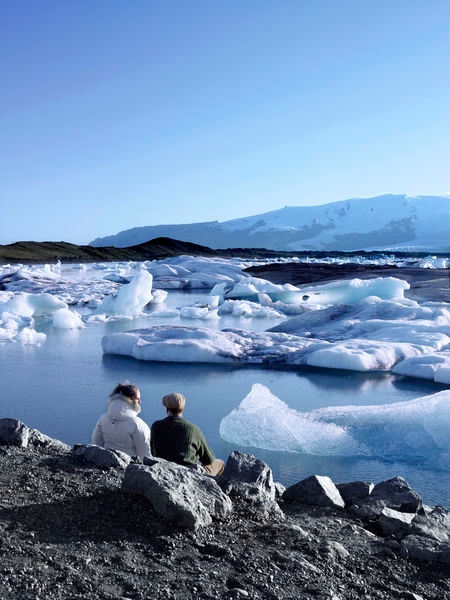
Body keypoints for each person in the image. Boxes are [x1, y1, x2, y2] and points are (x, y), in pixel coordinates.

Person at [151, 392, 225, 476]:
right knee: (220, 463)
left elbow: (153, 453)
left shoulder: (156, 426)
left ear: (167, 409)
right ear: (182, 409)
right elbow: (208, 459)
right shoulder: (193, 429)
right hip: (190, 474)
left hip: (163, 471)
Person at [91, 382, 151, 460]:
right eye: (137, 398)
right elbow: (144, 452)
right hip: (131, 467)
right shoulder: (137, 423)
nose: (140, 402)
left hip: (106, 462)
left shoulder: (103, 418)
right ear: (131, 399)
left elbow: (96, 443)